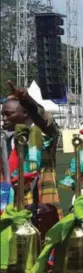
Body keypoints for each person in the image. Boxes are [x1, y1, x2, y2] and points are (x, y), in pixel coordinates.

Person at [1, 80, 61, 213]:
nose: (4, 119)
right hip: (13, 210)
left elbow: (44, 120)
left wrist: (26, 100)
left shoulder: (47, 137)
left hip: (44, 211)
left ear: (25, 113)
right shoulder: (7, 141)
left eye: (8, 114)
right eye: (2, 114)